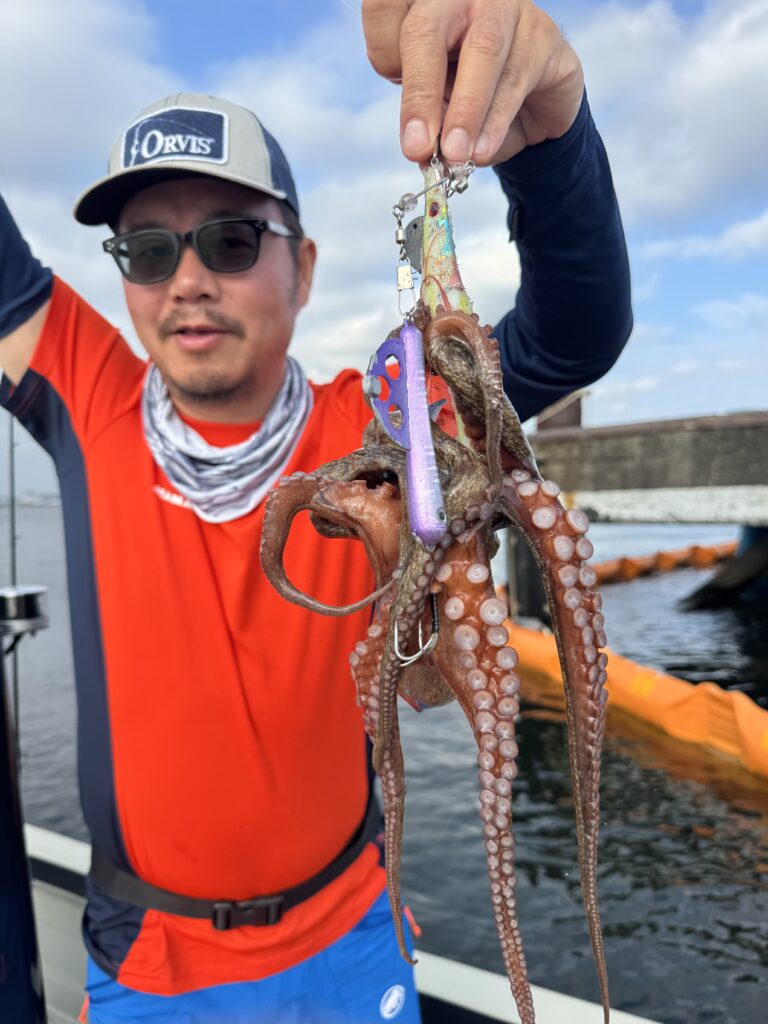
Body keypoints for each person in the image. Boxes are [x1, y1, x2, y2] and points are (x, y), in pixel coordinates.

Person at [0, 1, 632, 1020]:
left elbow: (575, 334)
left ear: (303, 267)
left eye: (231, 240)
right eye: (148, 251)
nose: (188, 280)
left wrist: (553, 143)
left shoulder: (385, 428)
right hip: (151, 959)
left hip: (350, 930)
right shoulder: (86, 393)